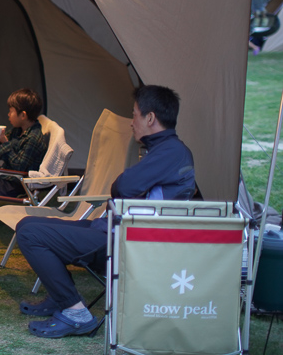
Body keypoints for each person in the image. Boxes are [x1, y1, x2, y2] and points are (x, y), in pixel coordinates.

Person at [17, 85, 196, 339]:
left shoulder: (171, 152)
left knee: (31, 235)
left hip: (126, 243)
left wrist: (124, 185)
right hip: (114, 229)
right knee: (27, 225)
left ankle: (75, 312)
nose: (132, 123)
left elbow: (123, 186)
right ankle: (61, 299)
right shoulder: (168, 151)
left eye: (134, 115)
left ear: (151, 118)